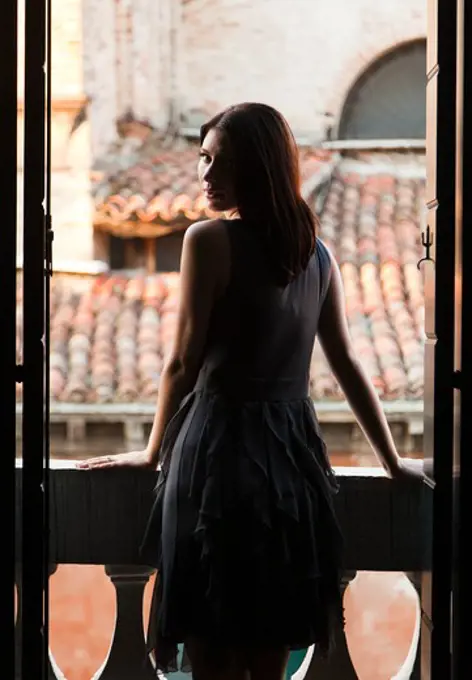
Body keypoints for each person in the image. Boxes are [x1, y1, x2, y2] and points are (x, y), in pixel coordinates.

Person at [78, 102, 424, 680]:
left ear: (260, 169)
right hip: (290, 462)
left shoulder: (208, 240)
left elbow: (184, 359)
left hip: (217, 454)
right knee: (267, 651)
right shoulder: (317, 253)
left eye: (225, 164)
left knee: (211, 650)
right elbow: (345, 360)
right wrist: (391, 459)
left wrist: (150, 450)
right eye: (204, 159)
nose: (208, 176)